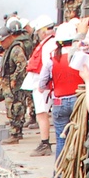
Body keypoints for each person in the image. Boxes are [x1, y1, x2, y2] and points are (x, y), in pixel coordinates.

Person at [39, 21, 85, 158]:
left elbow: (41, 84)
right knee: (81, 138)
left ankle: (58, 174)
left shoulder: (52, 60)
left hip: (59, 102)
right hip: (79, 101)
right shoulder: (81, 55)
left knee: (61, 139)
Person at [0, 18, 31, 141]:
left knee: (13, 107)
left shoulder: (16, 49)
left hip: (13, 85)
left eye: (3, 41)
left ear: (9, 38)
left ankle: (15, 133)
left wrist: (14, 78)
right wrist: (1, 80)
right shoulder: (9, 49)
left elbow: (22, 64)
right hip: (5, 82)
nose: (2, 44)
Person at [22, 16, 56, 153]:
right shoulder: (51, 43)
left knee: (42, 114)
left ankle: (45, 142)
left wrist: (43, 85)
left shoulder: (48, 44)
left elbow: (48, 66)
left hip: (43, 86)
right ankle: (45, 141)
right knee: (41, 114)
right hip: (42, 84)